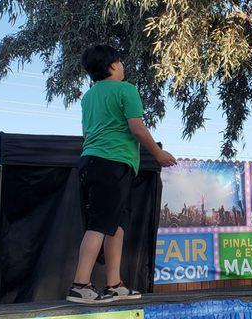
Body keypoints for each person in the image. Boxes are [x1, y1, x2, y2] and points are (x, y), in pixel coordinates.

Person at [67, 45, 177, 303]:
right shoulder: (127, 90)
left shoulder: (88, 97)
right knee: (99, 225)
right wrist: (158, 154)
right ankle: (80, 284)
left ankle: (114, 284)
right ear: (113, 66)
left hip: (92, 161)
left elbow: (86, 133)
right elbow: (137, 128)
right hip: (112, 163)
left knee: (115, 225)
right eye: (121, 61)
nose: (123, 66)